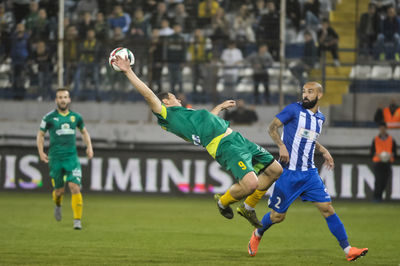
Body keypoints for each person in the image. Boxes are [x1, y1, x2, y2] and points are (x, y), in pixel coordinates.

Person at [113, 55, 283, 228]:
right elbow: (149, 95)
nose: (178, 99)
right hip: (224, 146)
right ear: (165, 101)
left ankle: (248, 207)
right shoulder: (167, 115)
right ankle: (223, 202)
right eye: (174, 97)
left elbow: (208, 120)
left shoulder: (187, 113)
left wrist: (219, 108)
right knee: (251, 184)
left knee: (276, 170)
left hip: (236, 138)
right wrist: (128, 71)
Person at [247, 82, 368, 262]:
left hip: (309, 174)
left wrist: (323, 149)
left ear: (319, 95)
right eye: (304, 91)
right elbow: (272, 128)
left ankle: (349, 250)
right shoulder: (293, 110)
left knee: (327, 209)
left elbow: (308, 137)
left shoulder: (320, 118)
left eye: (310, 92)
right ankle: (258, 232)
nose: (305, 95)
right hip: (288, 172)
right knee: (277, 216)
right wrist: (281, 146)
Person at [36, 88, 94, 230]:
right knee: (59, 191)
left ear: (69, 99)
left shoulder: (76, 117)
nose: (63, 99)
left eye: (65, 97)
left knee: (74, 187)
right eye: (60, 97)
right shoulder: (49, 117)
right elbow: (41, 135)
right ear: (56, 100)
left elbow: (84, 132)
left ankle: (77, 220)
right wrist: (41, 151)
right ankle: (57, 204)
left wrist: (89, 147)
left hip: (71, 158)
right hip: (55, 159)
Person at [371, 122, 397, 202]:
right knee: (378, 180)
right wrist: (379, 156)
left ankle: (381, 196)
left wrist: (389, 156)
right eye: (381, 128)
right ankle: (376, 197)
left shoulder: (391, 139)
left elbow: (394, 151)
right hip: (378, 162)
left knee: (384, 181)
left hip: (387, 162)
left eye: (383, 128)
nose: (382, 130)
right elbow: (372, 152)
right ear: (379, 129)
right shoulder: (375, 139)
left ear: (386, 129)